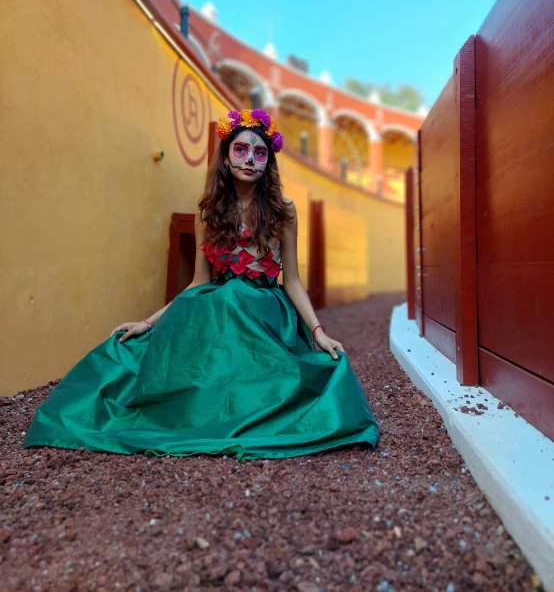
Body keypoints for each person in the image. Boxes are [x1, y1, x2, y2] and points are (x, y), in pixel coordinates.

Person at [24, 109, 379, 460]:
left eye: (260, 153)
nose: (250, 160)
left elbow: (294, 283)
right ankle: (199, 414)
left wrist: (317, 331)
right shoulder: (207, 212)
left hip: (268, 311)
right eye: (240, 150)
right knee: (180, 327)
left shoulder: (283, 210)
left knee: (237, 305)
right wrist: (147, 322)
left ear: (268, 162)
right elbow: (197, 282)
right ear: (225, 157)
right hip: (215, 307)